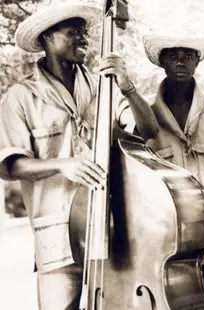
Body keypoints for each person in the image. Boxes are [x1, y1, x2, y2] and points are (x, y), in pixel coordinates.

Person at [100, 32, 204, 310]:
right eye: (173, 55)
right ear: (161, 60)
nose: (180, 61)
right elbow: (136, 132)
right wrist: (127, 88)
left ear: (197, 60)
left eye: (188, 55)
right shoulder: (142, 108)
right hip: (168, 242)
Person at [0, 2, 107, 309]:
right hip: (56, 234)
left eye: (84, 32)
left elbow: (134, 140)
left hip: (106, 228)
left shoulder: (102, 87)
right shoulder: (20, 96)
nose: (84, 39)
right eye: (74, 33)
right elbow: (11, 166)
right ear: (47, 37)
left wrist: (126, 88)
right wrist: (62, 165)